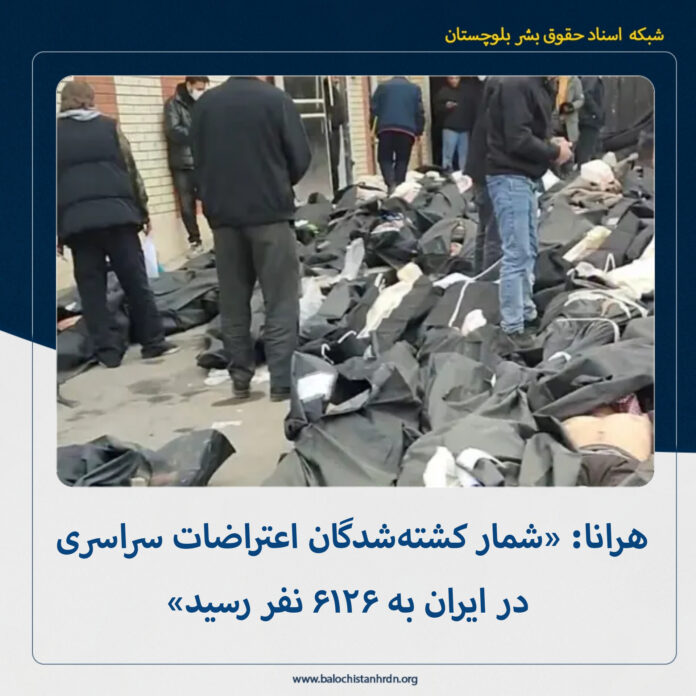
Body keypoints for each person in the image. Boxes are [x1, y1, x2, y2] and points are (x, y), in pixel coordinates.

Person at [191, 76, 311, 402]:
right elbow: (300, 157)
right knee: (280, 300)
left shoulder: (205, 105)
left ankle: (240, 379)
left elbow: (196, 160)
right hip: (270, 214)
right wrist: (277, 181)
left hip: (225, 219)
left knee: (233, 302)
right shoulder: (276, 101)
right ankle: (281, 382)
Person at [57, 81, 178, 368]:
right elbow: (131, 170)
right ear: (91, 99)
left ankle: (108, 352)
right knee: (135, 281)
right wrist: (143, 212)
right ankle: (153, 342)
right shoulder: (110, 127)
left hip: (78, 224)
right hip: (119, 217)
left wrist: (57, 230)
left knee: (92, 290)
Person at [485, 76, 573, 348]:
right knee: (518, 253)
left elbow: (524, 131)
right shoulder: (518, 84)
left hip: (522, 177)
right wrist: (554, 151)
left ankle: (526, 314)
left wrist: (551, 142)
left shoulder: (535, 84)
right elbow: (517, 138)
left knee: (528, 249)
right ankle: (513, 327)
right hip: (510, 177)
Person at [164, 76, 210, 255]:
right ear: (189, 85)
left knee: (211, 200)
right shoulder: (173, 104)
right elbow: (173, 130)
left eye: (203, 88)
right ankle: (195, 241)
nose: (201, 92)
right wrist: (197, 134)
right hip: (182, 163)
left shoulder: (204, 103)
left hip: (203, 161)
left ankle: (219, 236)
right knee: (186, 205)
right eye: (198, 88)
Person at [464, 76, 501, 275]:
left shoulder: (484, 111)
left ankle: (478, 273)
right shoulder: (495, 116)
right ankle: (487, 278)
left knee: (484, 227)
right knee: (495, 231)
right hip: (490, 173)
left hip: (479, 171)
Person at [370, 76, 425, 191]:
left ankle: (391, 184)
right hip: (407, 131)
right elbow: (419, 112)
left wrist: (373, 129)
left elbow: (374, 110)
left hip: (386, 129)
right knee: (402, 160)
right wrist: (419, 131)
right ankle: (399, 186)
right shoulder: (414, 89)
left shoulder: (382, 87)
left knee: (384, 158)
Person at [435, 76, 481, 172]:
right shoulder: (443, 92)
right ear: (447, 79)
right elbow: (437, 109)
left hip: (464, 128)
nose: (454, 81)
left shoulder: (467, 92)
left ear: (460, 78)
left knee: (464, 156)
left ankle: (463, 175)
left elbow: (472, 108)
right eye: (451, 78)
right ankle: (447, 174)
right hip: (450, 128)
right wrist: (445, 107)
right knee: (448, 156)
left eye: (456, 78)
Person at [552, 75, 584, 175]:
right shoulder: (553, 80)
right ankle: (556, 174)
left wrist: (571, 106)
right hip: (554, 118)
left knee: (570, 147)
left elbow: (580, 100)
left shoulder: (574, 80)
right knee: (554, 146)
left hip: (569, 121)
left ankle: (567, 173)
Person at [323, 76, 348, 194]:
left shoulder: (332, 91)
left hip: (334, 130)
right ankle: (334, 189)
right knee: (332, 162)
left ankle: (335, 189)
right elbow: (335, 112)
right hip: (330, 131)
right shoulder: (328, 91)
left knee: (334, 162)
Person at [576, 76, 605, 164]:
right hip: (589, 120)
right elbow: (586, 94)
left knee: (589, 151)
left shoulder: (593, 79)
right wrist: (597, 112)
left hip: (590, 120)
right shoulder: (591, 78)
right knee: (586, 153)